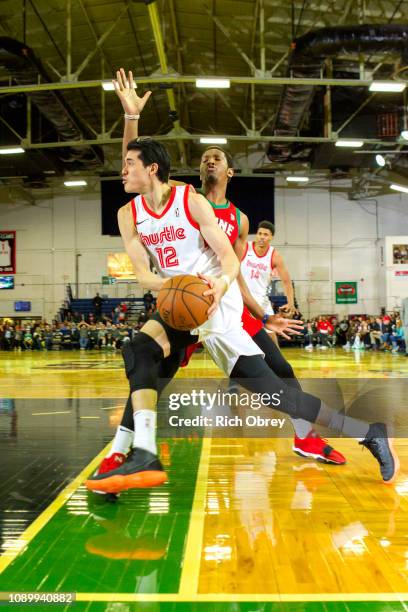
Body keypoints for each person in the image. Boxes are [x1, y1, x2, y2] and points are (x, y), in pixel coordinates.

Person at [86, 134, 397, 495]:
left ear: (152, 169)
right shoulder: (129, 214)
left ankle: (367, 432)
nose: (121, 170)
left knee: (276, 394)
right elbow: (142, 272)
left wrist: (220, 285)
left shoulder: (192, 200)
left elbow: (231, 259)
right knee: (140, 351)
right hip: (180, 304)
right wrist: (170, 287)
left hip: (216, 306)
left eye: (129, 165)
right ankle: (142, 452)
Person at [91, 69, 346, 470]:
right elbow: (138, 168)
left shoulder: (239, 219)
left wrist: (261, 315)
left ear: (229, 172)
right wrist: (131, 117)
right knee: (147, 361)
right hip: (184, 299)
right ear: (196, 171)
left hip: (223, 302)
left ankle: (308, 436)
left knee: (277, 371)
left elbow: (236, 269)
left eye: (218, 157)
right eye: (205, 157)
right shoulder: (185, 197)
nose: (210, 159)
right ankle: (130, 451)